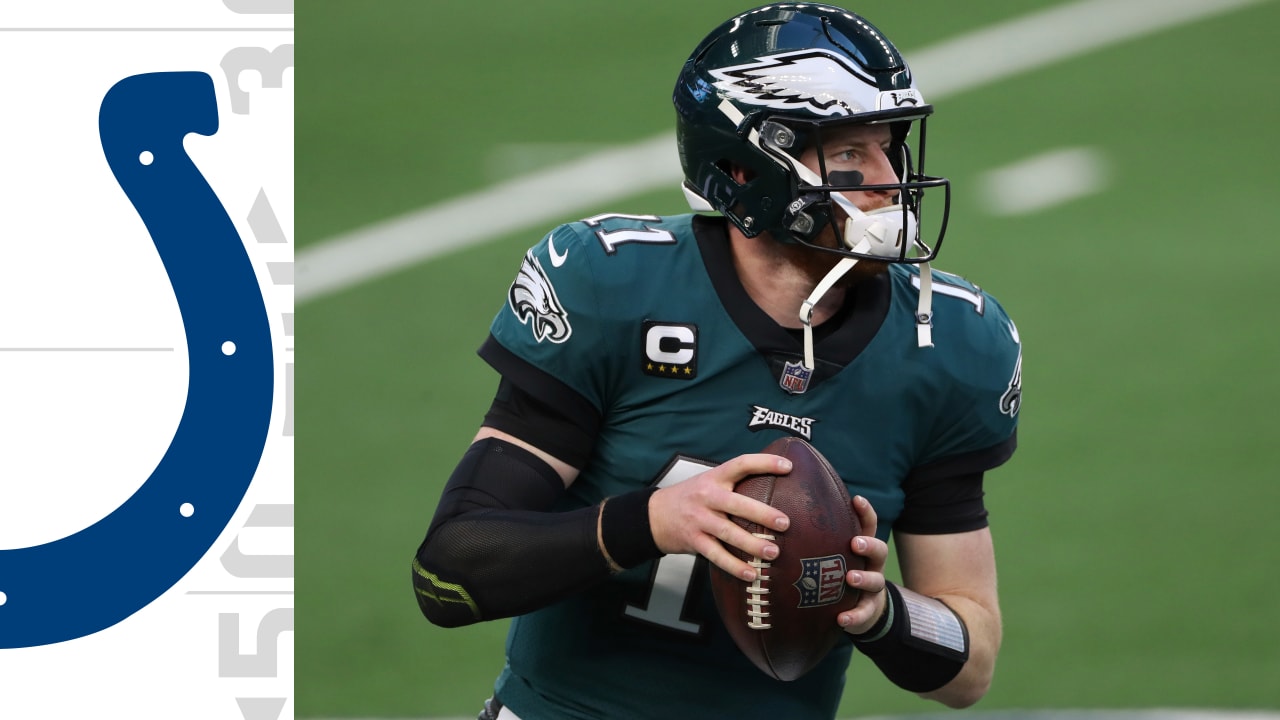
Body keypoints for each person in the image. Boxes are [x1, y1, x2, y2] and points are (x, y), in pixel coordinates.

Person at [411, 4, 1022, 719]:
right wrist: (653, 523)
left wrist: (883, 614)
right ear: (744, 168)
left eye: (891, 148)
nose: (891, 181)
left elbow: (970, 664)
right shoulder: (612, 287)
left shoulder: (948, 342)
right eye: (851, 157)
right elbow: (449, 571)